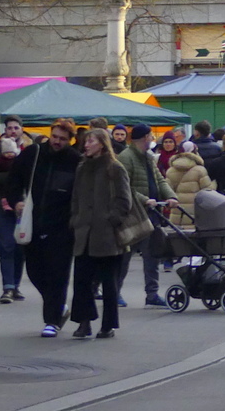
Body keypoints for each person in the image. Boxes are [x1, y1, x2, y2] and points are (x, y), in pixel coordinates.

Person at [10, 119, 82, 336]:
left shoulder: (75, 160)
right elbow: (14, 179)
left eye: (62, 139)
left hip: (62, 225)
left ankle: (52, 321)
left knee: (58, 275)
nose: (57, 142)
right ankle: (58, 306)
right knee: (34, 270)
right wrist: (16, 201)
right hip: (34, 222)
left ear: (70, 140)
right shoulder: (34, 153)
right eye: (55, 137)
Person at [68, 128, 134, 340]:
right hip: (84, 233)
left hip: (107, 235)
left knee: (109, 283)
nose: (86, 145)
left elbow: (125, 200)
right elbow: (76, 198)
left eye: (91, 141)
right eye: (86, 141)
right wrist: (75, 219)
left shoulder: (114, 168)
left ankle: (108, 326)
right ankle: (84, 322)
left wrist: (111, 219)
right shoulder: (82, 168)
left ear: (102, 144)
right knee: (82, 281)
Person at [116, 124, 176, 307]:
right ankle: (115, 291)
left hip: (152, 214)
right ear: (143, 138)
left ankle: (152, 293)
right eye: (150, 136)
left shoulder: (148, 158)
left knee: (152, 255)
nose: (152, 139)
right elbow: (124, 186)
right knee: (126, 256)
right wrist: (144, 200)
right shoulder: (126, 157)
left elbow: (159, 179)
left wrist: (171, 196)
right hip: (134, 215)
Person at [0, 133, 27, 301]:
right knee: (7, 245)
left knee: (20, 247)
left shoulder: (28, 151)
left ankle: (15, 285)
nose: (13, 130)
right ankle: (8, 287)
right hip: (2, 207)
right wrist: (14, 175)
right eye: (10, 127)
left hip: (23, 207)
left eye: (16, 127)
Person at [165, 140, 213, 219]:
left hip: (177, 212)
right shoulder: (200, 170)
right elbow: (207, 192)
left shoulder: (171, 171)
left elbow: (167, 191)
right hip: (194, 213)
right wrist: (214, 184)